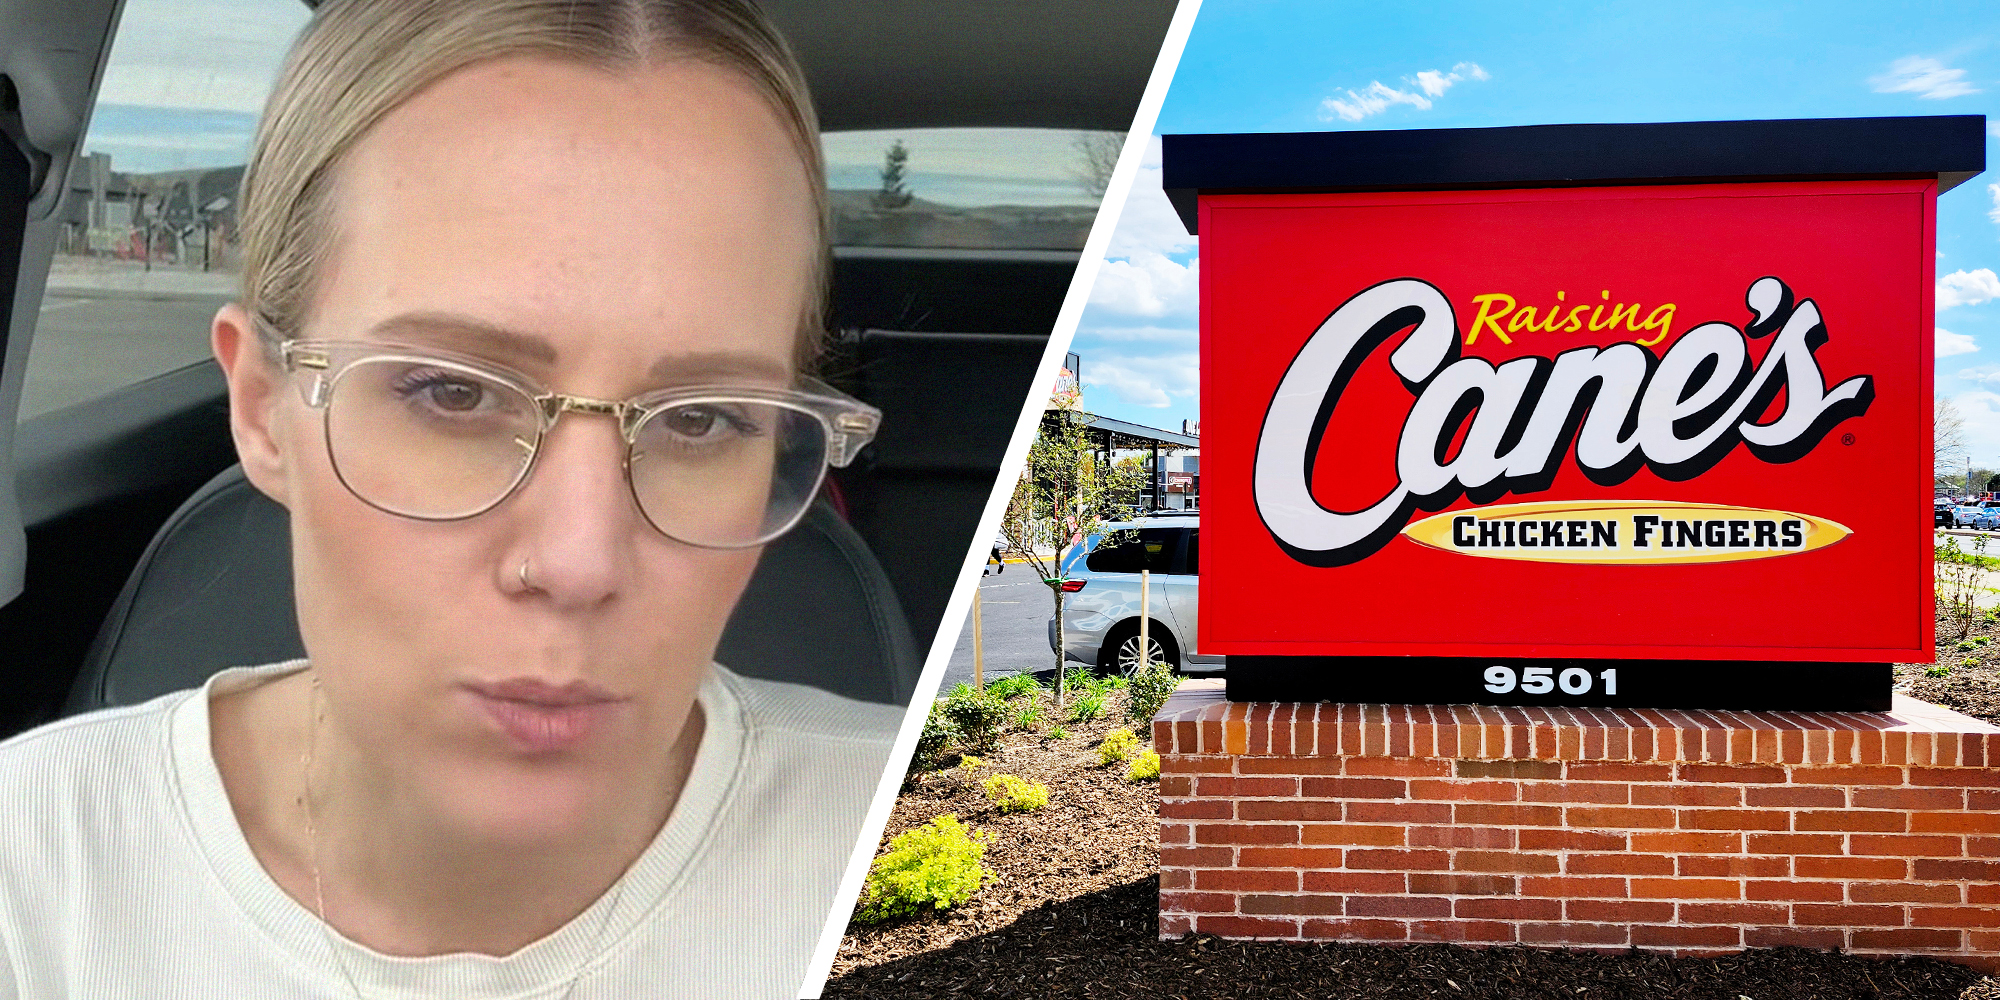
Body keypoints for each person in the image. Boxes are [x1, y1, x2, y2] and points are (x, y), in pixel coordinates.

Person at [0, 1, 902, 997]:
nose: (579, 560)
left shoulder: (906, 837)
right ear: (260, 407)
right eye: (452, 391)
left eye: (701, 419)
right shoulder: (35, 876)